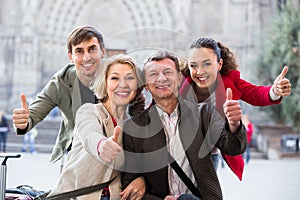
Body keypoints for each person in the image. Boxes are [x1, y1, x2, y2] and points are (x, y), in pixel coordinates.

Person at [122, 51, 247, 200]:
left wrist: (234, 125)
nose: (161, 79)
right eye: (153, 74)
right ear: (146, 85)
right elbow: (130, 182)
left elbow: (234, 148)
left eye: (168, 72)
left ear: (180, 78)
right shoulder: (134, 128)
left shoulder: (204, 113)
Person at [179, 37, 292, 180]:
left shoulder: (230, 82)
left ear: (219, 64)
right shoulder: (180, 83)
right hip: (179, 154)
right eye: (193, 65)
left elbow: (256, 94)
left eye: (206, 64)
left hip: (208, 156)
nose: (199, 71)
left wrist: (275, 91)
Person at [47, 54, 146, 200]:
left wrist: (142, 179)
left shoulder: (131, 125)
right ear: (105, 83)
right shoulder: (89, 111)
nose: (123, 84)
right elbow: (90, 134)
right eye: (115, 78)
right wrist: (101, 145)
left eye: (130, 78)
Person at [12, 26, 108, 163]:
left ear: (102, 52)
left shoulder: (116, 75)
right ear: (71, 57)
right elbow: (33, 113)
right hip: (77, 154)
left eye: (92, 49)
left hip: (113, 152)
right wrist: (23, 121)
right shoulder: (61, 82)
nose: (87, 57)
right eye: (79, 51)